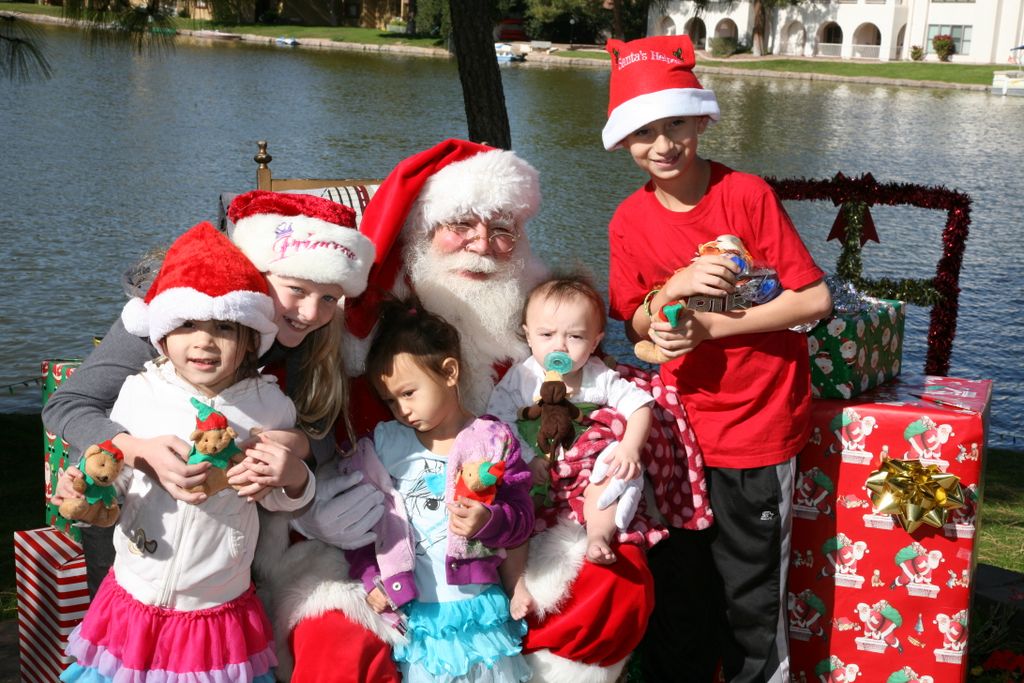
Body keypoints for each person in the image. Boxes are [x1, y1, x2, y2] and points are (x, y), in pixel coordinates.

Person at [267, 140, 658, 682]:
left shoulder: (540, 320)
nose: (482, 245)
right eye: (460, 225)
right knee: (334, 643)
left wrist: (608, 452)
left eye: (502, 229)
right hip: (380, 547)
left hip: (520, 525)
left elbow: (597, 396)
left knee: (615, 587)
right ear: (422, 232)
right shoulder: (354, 328)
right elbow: (300, 431)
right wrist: (313, 509)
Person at [42, 191, 387, 666]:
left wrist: (297, 443)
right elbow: (71, 403)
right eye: (295, 290)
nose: (310, 313)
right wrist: (135, 449)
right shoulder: (167, 316)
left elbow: (323, 429)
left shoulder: (309, 337)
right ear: (253, 273)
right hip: (136, 538)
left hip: (222, 571)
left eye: (328, 297)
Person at [602, 35, 833, 683]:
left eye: (676, 123)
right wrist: (670, 307)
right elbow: (637, 319)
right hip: (677, 439)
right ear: (624, 143)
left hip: (755, 432)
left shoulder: (747, 195)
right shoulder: (629, 220)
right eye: (644, 132)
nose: (664, 144)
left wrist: (712, 326)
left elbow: (812, 298)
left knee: (750, 605)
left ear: (701, 118)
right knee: (681, 600)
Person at [56, 221, 316, 682]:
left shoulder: (271, 405)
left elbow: (281, 497)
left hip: (217, 607)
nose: (203, 340)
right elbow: (113, 470)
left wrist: (294, 475)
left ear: (250, 337)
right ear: (161, 334)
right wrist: (89, 483)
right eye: (187, 324)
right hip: (134, 593)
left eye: (223, 327)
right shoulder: (139, 391)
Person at [346, 299, 534, 681]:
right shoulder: (385, 445)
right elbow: (362, 524)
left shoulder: (491, 438)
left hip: (478, 608)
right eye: (390, 400)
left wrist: (490, 520)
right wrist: (371, 579)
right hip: (420, 614)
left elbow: (523, 518)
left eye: (409, 393)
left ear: (449, 372)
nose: (401, 409)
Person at [486, 275, 654, 616]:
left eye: (575, 336)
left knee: (608, 478)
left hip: (584, 475)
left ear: (595, 342)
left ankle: (597, 537)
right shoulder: (523, 376)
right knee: (513, 511)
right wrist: (528, 458)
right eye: (547, 335)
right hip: (536, 475)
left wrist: (629, 449)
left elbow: (640, 405)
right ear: (528, 334)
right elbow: (497, 421)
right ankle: (516, 585)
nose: (560, 347)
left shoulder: (598, 376)